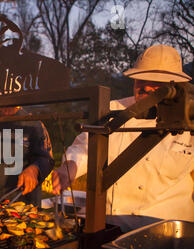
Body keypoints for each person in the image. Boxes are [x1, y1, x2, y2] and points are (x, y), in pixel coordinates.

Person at [52, 44, 194, 232]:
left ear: (174, 87)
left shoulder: (188, 121)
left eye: (157, 83)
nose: (146, 86)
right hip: (111, 227)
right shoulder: (112, 110)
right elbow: (85, 147)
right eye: (140, 79)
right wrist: (70, 165)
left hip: (165, 234)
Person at [0, 106, 54, 206]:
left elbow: (46, 158)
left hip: (21, 199)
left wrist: (35, 168)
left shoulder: (34, 124)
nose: (6, 108)